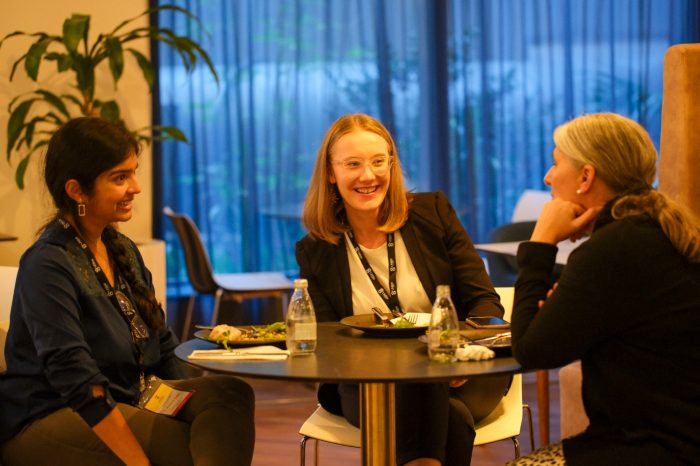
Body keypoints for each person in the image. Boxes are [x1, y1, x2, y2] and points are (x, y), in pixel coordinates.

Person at [0, 117, 255, 466]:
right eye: (120, 178)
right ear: (76, 191)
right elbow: (77, 381)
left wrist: (187, 405)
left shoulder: (123, 250)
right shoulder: (48, 263)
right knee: (183, 444)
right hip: (52, 413)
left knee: (230, 395)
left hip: (133, 394)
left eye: (133, 172)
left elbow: (163, 346)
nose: (136, 187)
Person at [296, 113, 510, 466]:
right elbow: (326, 339)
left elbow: (484, 300)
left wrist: (462, 351)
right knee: (447, 416)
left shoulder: (433, 212)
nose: (368, 175)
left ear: (392, 166)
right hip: (368, 385)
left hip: (459, 373)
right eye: (353, 164)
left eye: (379, 161)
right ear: (331, 173)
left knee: (436, 401)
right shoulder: (315, 249)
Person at [509, 113, 700, 465]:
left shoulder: (612, 249)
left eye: (555, 164)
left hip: (655, 450)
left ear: (586, 176)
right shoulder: (658, 230)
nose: (547, 177)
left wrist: (541, 241)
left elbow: (529, 350)